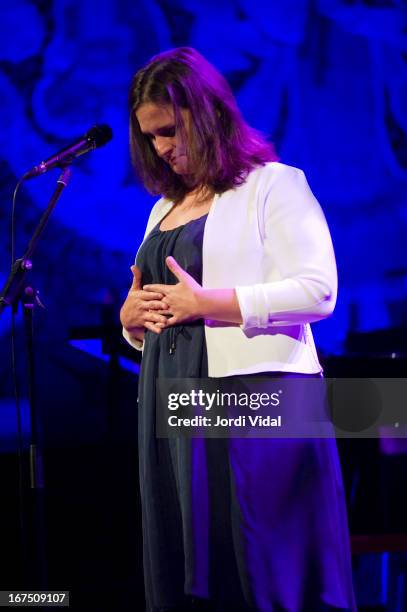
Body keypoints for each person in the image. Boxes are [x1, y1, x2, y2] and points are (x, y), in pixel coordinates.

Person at [120, 47, 355, 612]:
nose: (162, 148)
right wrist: (131, 321)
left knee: (258, 560)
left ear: (206, 114)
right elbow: (161, 307)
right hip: (174, 397)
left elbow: (317, 291)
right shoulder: (163, 210)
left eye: (170, 131)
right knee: (192, 562)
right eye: (150, 137)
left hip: (253, 394)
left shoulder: (273, 185)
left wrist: (210, 303)